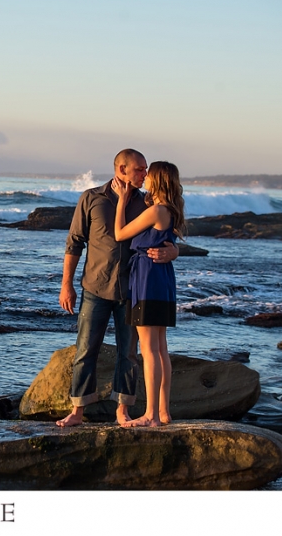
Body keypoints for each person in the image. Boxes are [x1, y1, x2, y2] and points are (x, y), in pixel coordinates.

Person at [57, 149, 178, 427]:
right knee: (85, 349)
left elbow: (165, 233)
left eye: (147, 170)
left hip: (133, 289)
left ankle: (123, 410)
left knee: (130, 353)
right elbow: (74, 242)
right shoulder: (91, 198)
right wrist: (66, 284)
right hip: (95, 286)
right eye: (139, 170)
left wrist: (174, 253)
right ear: (121, 169)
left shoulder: (147, 202)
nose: (144, 175)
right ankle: (77, 412)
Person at [112, 161, 185, 427]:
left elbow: (120, 233)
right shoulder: (172, 209)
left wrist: (121, 200)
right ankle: (163, 412)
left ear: (157, 180)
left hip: (146, 279)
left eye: (149, 176)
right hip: (162, 279)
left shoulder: (156, 211)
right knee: (161, 348)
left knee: (149, 350)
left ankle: (151, 414)